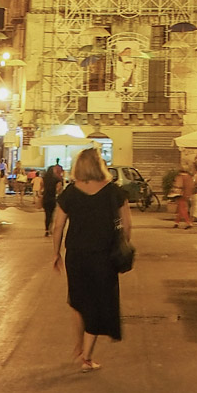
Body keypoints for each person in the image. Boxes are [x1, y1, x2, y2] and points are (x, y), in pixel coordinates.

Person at [51, 148, 130, 371]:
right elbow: (127, 225)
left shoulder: (70, 193)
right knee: (99, 301)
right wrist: (122, 244)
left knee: (78, 301)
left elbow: (58, 226)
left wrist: (56, 253)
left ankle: (79, 345)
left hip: (76, 255)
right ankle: (86, 355)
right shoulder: (115, 192)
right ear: (99, 165)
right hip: (104, 255)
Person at [40, 164, 62, 236]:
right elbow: (59, 189)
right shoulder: (56, 179)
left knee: (47, 214)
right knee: (51, 215)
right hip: (52, 198)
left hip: (45, 198)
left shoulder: (44, 178)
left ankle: (46, 230)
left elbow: (41, 187)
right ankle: (50, 229)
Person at [170, 164, 193, 228]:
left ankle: (188, 223)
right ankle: (176, 222)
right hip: (188, 194)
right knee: (180, 207)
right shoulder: (189, 177)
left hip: (180, 193)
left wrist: (173, 191)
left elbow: (178, 185)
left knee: (182, 208)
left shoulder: (180, 177)